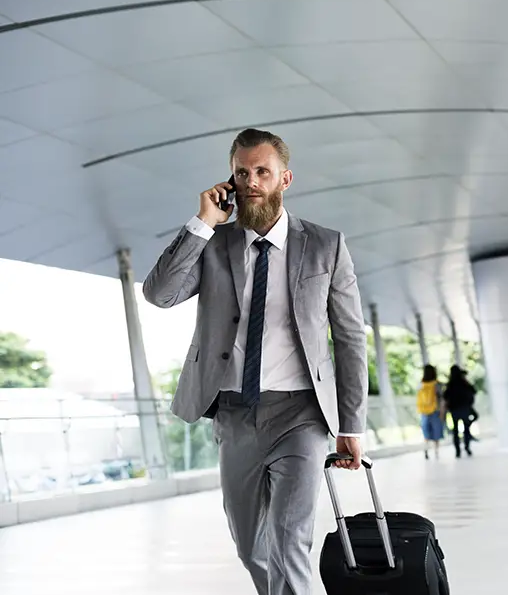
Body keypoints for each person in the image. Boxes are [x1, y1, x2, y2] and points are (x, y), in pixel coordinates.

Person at [142, 128, 368, 595]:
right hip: (235, 413)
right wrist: (202, 222)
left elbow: (349, 339)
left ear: (285, 178)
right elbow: (159, 294)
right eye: (241, 172)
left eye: (262, 172)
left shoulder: (326, 245)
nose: (251, 182)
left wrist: (352, 425)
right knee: (252, 548)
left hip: (301, 414)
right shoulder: (214, 244)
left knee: (290, 542)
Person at [443, 365, 477, 458]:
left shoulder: (450, 384)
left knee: (455, 431)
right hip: (465, 408)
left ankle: (457, 450)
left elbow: (445, 396)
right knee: (466, 429)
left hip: (454, 410)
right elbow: (473, 391)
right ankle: (467, 447)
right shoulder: (464, 382)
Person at [417, 364, 446, 459]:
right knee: (436, 433)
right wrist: (442, 413)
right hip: (435, 411)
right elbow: (441, 400)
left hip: (424, 412)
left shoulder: (421, 384)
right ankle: (436, 452)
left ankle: (426, 450)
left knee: (426, 433)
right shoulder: (437, 384)